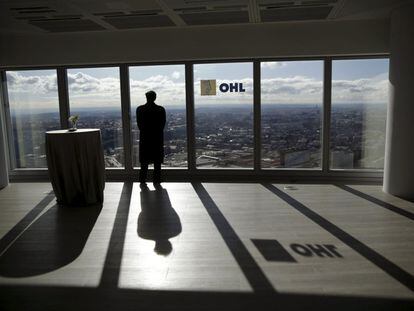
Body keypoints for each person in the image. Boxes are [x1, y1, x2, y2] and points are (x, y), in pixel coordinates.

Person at [136, 90, 166, 184]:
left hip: (145, 138)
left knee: (144, 161)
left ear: (146, 97)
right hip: (157, 138)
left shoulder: (140, 109)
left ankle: (142, 179)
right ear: (155, 98)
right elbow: (162, 125)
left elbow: (139, 125)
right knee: (157, 162)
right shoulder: (161, 109)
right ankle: (156, 180)